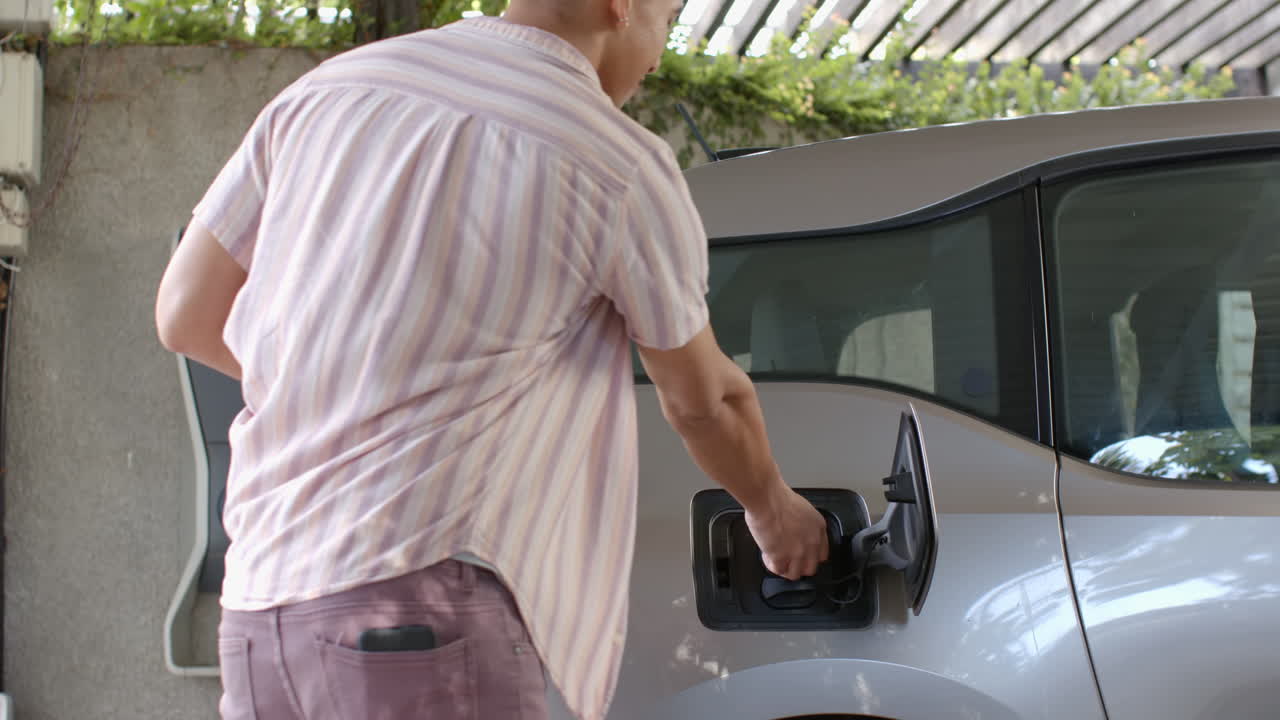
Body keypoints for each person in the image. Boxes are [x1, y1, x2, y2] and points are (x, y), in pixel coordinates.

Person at [154, 0, 830, 716]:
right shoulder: (612, 160)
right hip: (418, 618)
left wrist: (341, 391)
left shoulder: (325, 92)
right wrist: (776, 514)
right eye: (668, 15)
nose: (662, 51)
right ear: (621, 5)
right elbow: (704, 401)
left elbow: (186, 314)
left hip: (262, 613)